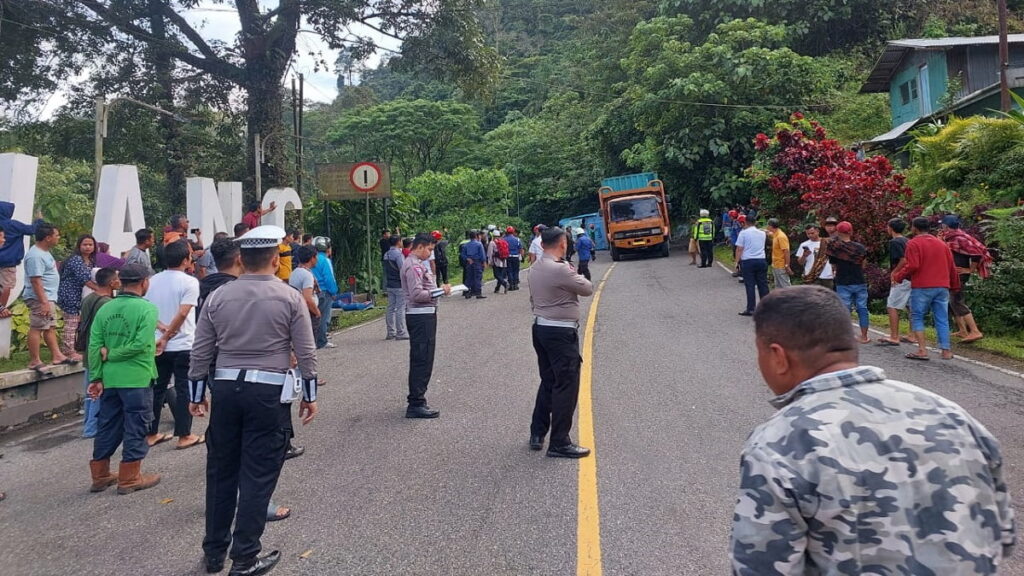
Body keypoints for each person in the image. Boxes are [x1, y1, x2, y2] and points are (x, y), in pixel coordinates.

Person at [731, 285, 1015, 574]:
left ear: (778, 356)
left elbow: (761, 566)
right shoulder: (953, 416)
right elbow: (1002, 536)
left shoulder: (780, 443)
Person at [188, 225, 318, 576]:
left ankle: (214, 552)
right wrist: (309, 395)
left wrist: (197, 394)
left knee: (221, 472)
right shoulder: (289, 296)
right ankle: (244, 557)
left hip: (226, 389)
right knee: (258, 475)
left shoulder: (218, 297)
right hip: (268, 392)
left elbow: (201, 351)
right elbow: (306, 352)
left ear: (242, 261)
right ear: (276, 260)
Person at [86, 263, 162, 496]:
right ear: (144, 282)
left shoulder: (105, 309)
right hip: (137, 378)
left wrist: (97, 376)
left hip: (110, 378)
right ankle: (129, 477)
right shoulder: (147, 309)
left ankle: (100, 475)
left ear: (120, 282)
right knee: (136, 425)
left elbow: (94, 346)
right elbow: (140, 345)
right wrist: (115, 354)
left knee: (107, 424)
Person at [528, 227, 593, 458]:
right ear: (563, 243)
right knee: (566, 385)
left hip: (541, 327)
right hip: (561, 332)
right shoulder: (560, 269)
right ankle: (560, 441)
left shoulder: (534, 267)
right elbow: (587, 288)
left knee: (549, 381)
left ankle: (538, 431)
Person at [145, 240, 204, 450]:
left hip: (157, 343)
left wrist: (161, 330)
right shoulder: (189, 282)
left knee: (157, 389)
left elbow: (147, 310)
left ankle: (151, 432)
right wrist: (169, 334)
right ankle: (184, 434)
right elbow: (183, 312)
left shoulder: (151, 281)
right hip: (182, 343)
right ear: (186, 259)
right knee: (183, 388)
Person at [893, 217, 960, 361]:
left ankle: (922, 350)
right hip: (942, 286)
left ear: (914, 228)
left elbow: (913, 265)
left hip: (922, 286)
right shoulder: (942, 244)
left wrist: (898, 276)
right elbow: (951, 267)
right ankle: (946, 351)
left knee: (917, 316)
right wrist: (954, 285)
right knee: (942, 318)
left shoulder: (913, 243)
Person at [401, 233, 451, 419]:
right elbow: (416, 295)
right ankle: (416, 402)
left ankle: (418, 398)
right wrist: (440, 291)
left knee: (423, 358)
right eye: (429, 249)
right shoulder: (413, 266)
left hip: (424, 315)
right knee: (422, 359)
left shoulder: (416, 264)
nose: (430, 254)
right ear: (420, 246)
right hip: (420, 316)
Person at [24, 223, 74, 373]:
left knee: (50, 326)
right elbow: (36, 280)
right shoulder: (35, 256)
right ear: (47, 238)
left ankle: (57, 355)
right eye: (56, 235)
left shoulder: (44, 252)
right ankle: (34, 361)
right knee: (37, 327)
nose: (58, 238)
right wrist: (43, 302)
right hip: (40, 298)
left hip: (48, 297)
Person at [78, 268, 120, 439]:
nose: (119, 281)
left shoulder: (89, 299)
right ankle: (92, 428)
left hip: (89, 350)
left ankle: (88, 423)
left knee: (90, 390)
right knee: (98, 391)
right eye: (117, 279)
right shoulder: (107, 304)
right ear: (111, 283)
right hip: (100, 352)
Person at [940, 215, 989, 343]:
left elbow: (977, 254)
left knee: (957, 301)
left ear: (946, 226)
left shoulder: (959, 238)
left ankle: (975, 331)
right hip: (953, 273)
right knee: (952, 302)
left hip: (960, 274)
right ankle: (962, 331)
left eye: (943, 225)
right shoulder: (950, 237)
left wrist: (970, 269)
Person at [57, 234, 101, 360]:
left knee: (77, 323)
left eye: (90, 244)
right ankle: (68, 351)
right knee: (71, 322)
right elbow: (85, 278)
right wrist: (101, 290)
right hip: (70, 293)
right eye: (85, 244)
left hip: (81, 295)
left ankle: (75, 347)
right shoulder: (75, 260)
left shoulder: (91, 261)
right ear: (79, 246)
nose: (88, 247)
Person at [827, 221, 871, 344]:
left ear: (838, 232)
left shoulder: (835, 248)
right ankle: (864, 336)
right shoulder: (860, 248)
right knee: (862, 308)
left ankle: (845, 336)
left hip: (843, 281)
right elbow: (864, 264)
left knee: (845, 309)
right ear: (851, 231)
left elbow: (834, 265)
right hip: (859, 281)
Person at [0, 203, 41, 318]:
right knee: (6, 285)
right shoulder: (13, 225)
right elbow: (33, 229)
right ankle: (2, 308)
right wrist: (39, 220)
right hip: (9, 262)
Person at [879, 218, 913, 346]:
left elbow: (903, 260)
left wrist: (895, 272)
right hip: (911, 277)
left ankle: (894, 336)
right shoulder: (907, 240)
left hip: (902, 277)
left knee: (892, 305)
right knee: (910, 306)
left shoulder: (895, 242)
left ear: (891, 228)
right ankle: (912, 334)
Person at [734, 216, 768, 317]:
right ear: (755, 222)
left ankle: (751, 309)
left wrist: (737, 262)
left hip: (748, 261)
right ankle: (766, 307)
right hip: (761, 260)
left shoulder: (743, 233)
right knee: (763, 284)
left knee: (750, 285)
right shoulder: (762, 233)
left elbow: (739, 249)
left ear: (745, 222)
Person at [311, 236, 338, 349]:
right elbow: (329, 278)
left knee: (314, 317)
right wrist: (334, 291)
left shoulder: (312, 258)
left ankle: (312, 340)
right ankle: (321, 341)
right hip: (324, 291)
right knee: (323, 318)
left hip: (312, 291)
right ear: (326, 248)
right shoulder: (325, 260)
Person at [383, 236, 409, 340]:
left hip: (390, 284)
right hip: (399, 284)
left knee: (390, 308)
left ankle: (390, 332)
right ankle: (401, 332)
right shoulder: (398, 254)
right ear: (398, 242)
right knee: (400, 308)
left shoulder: (386, 254)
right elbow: (403, 269)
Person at [797, 224, 835, 290]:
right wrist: (804, 255)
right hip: (811, 276)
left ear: (817, 231)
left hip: (827, 275)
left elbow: (834, 258)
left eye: (812, 233)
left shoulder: (827, 242)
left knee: (828, 297)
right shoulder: (804, 245)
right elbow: (800, 262)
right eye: (808, 234)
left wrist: (835, 270)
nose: (810, 235)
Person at [764, 219, 791, 289]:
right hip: (775, 264)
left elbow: (786, 251)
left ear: (771, 226)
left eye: (768, 225)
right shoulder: (775, 234)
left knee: (785, 286)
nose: (767, 227)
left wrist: (787, 265)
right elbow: (768, 233)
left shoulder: (781, 236)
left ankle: (791, 299)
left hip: (781, 265)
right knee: (778, 286)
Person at [463, 231, 487, 299]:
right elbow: (482, 254)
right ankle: (478, 293)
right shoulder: (479, 244)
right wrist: (484, 262)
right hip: (477, 262)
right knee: (478, 277)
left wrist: (467, 259)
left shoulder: (466, 245)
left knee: (469, 278)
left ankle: (467, 292)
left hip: (469, 262)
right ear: (476, 236)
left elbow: (463, 254)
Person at [488, 229, 509, 294]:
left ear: (493, 236)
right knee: (500, 276)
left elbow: (490, 253)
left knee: (496, 275)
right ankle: (497, 288)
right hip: (503, 261)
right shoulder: (503, 241)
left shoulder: (492, 243)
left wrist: (490, 262)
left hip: (496, 261)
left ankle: (505, 284)